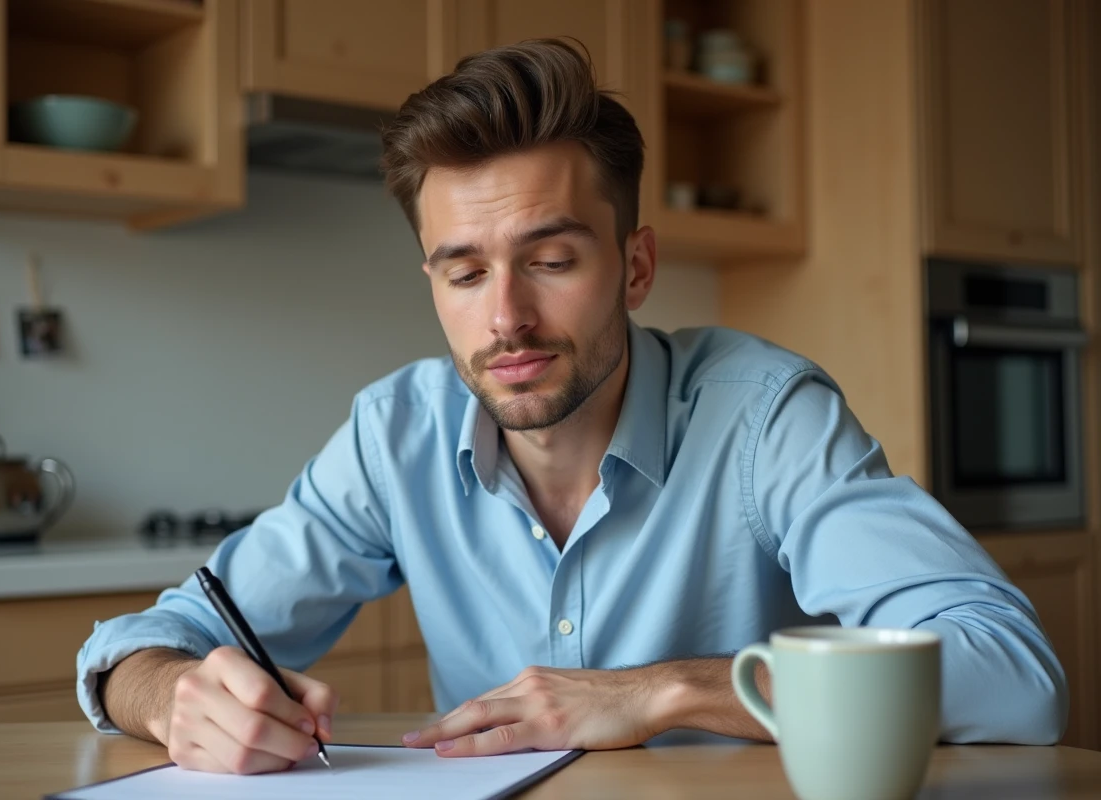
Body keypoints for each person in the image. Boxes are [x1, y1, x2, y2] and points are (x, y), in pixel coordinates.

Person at [77, 39, 1068, 774]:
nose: (505, 316)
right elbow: (145, 640)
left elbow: (1015, 675)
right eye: (463, 272)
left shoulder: (767, 418)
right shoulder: (395, 435)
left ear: (634, 265)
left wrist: (665, 687)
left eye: (551, 260)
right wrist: (173, 694)